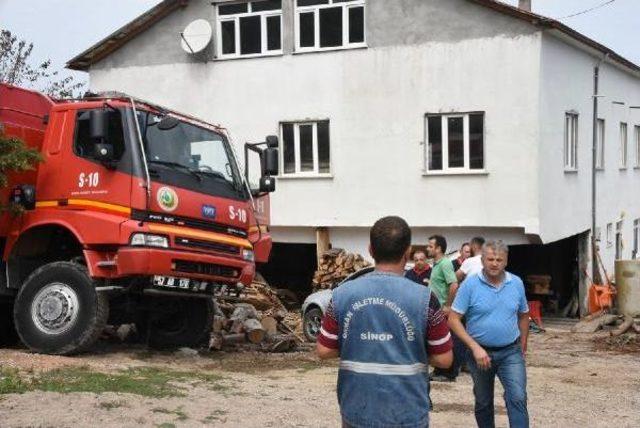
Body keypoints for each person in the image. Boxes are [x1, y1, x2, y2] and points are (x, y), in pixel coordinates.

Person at [316, 216, 453, 428]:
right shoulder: (425, 299)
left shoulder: (341, 294)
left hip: (356, 410)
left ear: (370, 250)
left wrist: (363, 344)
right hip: (407, 412)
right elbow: (444, 359)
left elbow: (324, 350)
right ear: (407, 252)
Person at [449, 241, 530, 428]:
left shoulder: (516, 283)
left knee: (517, 397)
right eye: (490, 259)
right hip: (479, 354)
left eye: (499, 259)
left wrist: (523, 345)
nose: (494, 263)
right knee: (484, 401)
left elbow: (524, 315)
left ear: (506, 261)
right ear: (482, 260)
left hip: (511, 352)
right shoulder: (470, 285)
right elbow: (453, 319)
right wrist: (475, 347)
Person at [426, 235, 462, 382]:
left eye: (430, 246)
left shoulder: (445, 263)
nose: (427, 248)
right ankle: (439, 371)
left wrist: (448, 306)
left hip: (442, 308)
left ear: (439, 248)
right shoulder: (436, 264)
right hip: (436, 309)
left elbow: (453, 284)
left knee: (447, 340)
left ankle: (449, 373)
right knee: (438, 340)